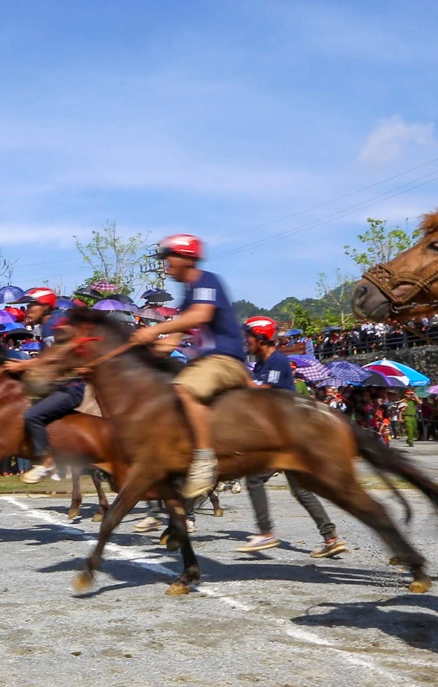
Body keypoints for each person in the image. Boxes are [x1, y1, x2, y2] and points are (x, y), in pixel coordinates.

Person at [126, 234, 251, 499]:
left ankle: (205, 460)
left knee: (184, 389)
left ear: (187, 258)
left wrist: (156, 329)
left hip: (225, 360)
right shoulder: (188, 296)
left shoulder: (207, 281)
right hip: (205, 364)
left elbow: (200, 315)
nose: (166, 264)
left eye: (169, 257)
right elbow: (170, 342)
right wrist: (139, 353)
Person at [234, 317, 347, 558]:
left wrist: (240, 378)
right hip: (282, 435)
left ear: (261, 338)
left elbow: (266, 393)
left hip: (287, 437)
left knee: (254, 479)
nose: (247, 341)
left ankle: (265, 533)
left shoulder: (277, 360)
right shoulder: (264, 363)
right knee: (301, 490)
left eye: (249, 337)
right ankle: (331, 538)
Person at [7, 288, 77, 484]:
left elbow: (59, 356)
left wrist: (26, 364)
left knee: (32, 415)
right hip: (60, 384)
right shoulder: (48, 326)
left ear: (46, 306)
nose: (27, 310)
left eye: (32, 305)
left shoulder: (55, 324)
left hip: (70, 386)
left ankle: (46, 462)